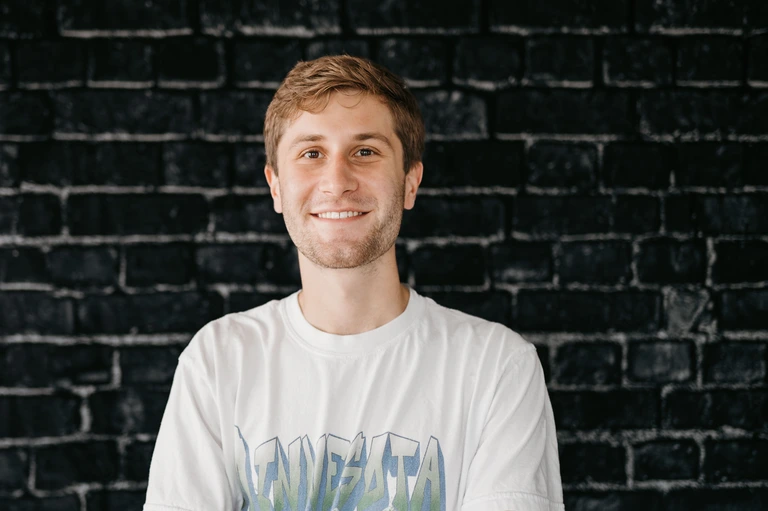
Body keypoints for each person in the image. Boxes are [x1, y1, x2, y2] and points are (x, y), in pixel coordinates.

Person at [143, 55, 564, 511]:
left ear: (410, 182)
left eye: (365, 151)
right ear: (276, 187)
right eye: (311, 153)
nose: (336, 181)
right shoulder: (219, 361)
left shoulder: (498, 368)